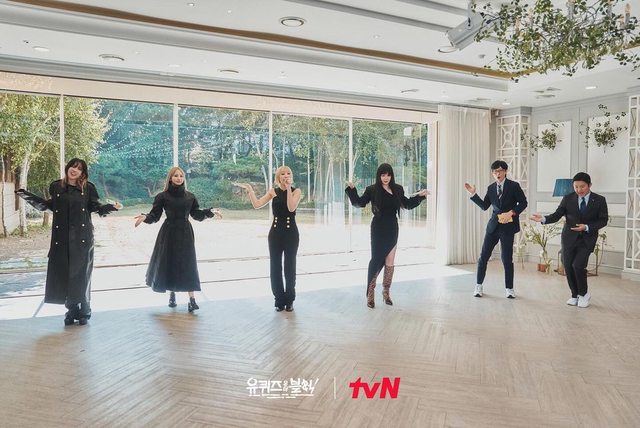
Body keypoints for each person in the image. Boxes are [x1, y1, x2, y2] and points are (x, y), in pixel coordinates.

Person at [16, 158, 121, 326]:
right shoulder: (56, 186)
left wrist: (111, 207)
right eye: (73, 166)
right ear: (68, 167)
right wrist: (27, 196)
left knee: (81, 275)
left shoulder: (88, 188)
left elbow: (95, 207)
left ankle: (85, 310)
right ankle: (71, 309)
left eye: (79, 168)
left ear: (82, 173)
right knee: (64, 274)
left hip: (82, 238)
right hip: (62, 238)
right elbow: (49, 205)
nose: (75, 170)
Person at [134, 167, 220, 312]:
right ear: (170, 178)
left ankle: (192, 300)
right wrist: (145, 217)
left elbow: (196, 215)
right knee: (170, 262)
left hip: (185, 233)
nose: (179, 178)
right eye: (176, 175)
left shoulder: (190, 196)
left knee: (188, 264)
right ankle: (172, 295)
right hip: (168, 233)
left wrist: (210, 212)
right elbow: (155, 216)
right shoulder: (162, 196)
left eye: (181, 176)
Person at [346, 163, 429, 308]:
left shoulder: (398, 189)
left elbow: (407, 204)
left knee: (390, 261)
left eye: (388, 175)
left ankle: (386, 292)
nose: (386, 178)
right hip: (378, 228)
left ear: (392, 176)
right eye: (383, 175)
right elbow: (359, 203)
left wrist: (420, 197)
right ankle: (370, 293)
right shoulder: (372, 189)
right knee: (376, 260)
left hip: (392, 227)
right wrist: (352, 190)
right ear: (379, 176)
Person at [531, 172, 608, 308]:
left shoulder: (599, 200)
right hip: (569, 238)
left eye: (582, 186)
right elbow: (557, 215)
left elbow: (603, 220)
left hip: (587, 239)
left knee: (578, 265)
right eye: (576, 187)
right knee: (567, 266)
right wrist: (543, 219)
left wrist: (587, 227)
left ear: (589, 185)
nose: (579, 190)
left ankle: (583, 294)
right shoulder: (568, 198)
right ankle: (574, 295)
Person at [237, 166, 302, 312]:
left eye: (288, 173)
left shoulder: (296, 191)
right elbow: (257, 204)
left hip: (291, 232)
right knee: (275, 266)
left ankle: (290, 300)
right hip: (275, 232)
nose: (286, 176)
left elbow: (291, 208)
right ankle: (279, 300)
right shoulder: (273, 191)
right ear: (278, 177)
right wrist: (251, 191)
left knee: (290, 266)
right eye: (282, 174)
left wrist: (288, 188)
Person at [465, 160, 527, 299]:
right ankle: (478, 286)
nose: (497, 174)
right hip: (493, 227)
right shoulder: (491, 188)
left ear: (505, 171)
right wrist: (473, 194)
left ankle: (509, 289)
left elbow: (524, 203)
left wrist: (511, 212)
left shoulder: (514, 186)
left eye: (499, 171)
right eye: (494, 172)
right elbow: (484, 206)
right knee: (483, 257)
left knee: (507, 259)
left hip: (508, 227)